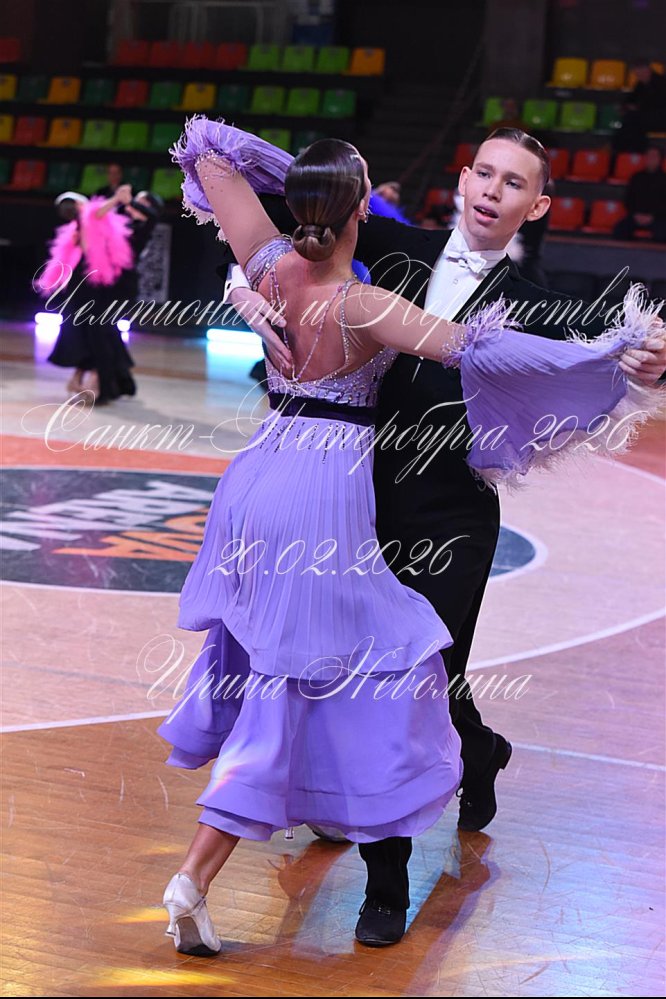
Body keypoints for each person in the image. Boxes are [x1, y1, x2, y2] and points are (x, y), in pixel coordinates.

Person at [156, 118, 664, 956]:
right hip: (349, 504)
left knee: (420, 679)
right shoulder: (388, 246)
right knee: (376, 682)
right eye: (485, 173)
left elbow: (583, 344)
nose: (493, 191)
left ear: (537, 206)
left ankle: (439, 805)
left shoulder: (539, 299)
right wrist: (240, 288)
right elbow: (289, 227)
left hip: (447, 518)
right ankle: (392, 860)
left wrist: (640, 356)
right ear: (462, 179)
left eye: (514, 183)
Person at [37, 186, 136, 403]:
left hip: (84, 282)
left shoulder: (80, 226)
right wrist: (117, 198)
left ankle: (83, 378)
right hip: (91, 283)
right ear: (79, 205)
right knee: (95, 333)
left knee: (88, 332)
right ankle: (92, 380)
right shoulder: (87, 217)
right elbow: (98, 210)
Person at [613, 147, 666, 243]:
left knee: (662, 234)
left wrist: (652, 217)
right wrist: (636, 214)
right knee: (619, 230)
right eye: (648, 156)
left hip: (658, 218)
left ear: (660, 159)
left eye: (654, 156)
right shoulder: (636, 177)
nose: (651, 159)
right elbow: (628, 200)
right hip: (636, 216)